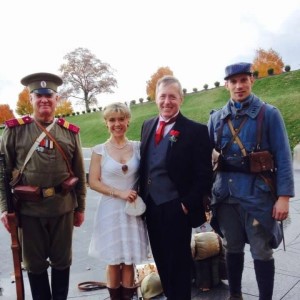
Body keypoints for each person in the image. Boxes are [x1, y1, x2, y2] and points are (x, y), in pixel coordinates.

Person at [207, 62, 295, 300]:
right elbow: (207, 161)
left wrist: (284, 198)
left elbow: (284, 157)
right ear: (227, 85)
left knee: (261, 251)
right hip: (225, 195)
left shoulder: (269, 114)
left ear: (251, 81)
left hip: (257, 196)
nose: (239, 86)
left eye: (243, 80)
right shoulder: (216, 118)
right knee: (231, 247)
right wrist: (206, 198)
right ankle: (235, 295)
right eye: (233, 82)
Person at [0, 72, 86, 300]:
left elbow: (79, 173)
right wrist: (3, 209)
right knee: (35, 266)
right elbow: (2, 174)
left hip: (63, 209)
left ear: (57, 99)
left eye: (49, 95)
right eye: (38, 95)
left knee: (62, 263)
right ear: (31, 99)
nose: (44, 100)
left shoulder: (70, 132)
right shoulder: (14, 130)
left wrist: (81, 208)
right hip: (29, 212)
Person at [139, 75, 213, 300]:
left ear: (181, 99)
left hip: (176, 207)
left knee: (179, 264)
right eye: (163, 96)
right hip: (151, 206)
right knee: (162, 261)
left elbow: (205, 175)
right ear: (156, 99)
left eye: (172, 96)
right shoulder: (147, 125)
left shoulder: (196, 131)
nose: (167, 102)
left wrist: (186, 205)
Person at [88, 102, 148, 300]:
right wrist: (119, 193)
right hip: (110, 211)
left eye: (121, 119)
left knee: (129, 260)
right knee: (114, 261)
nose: (117, 123)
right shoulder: (99, 151)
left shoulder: (138, 148)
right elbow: (93, 182)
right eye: (112, 120)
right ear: (106, 123)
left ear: (128, 121)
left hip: (132, 212)